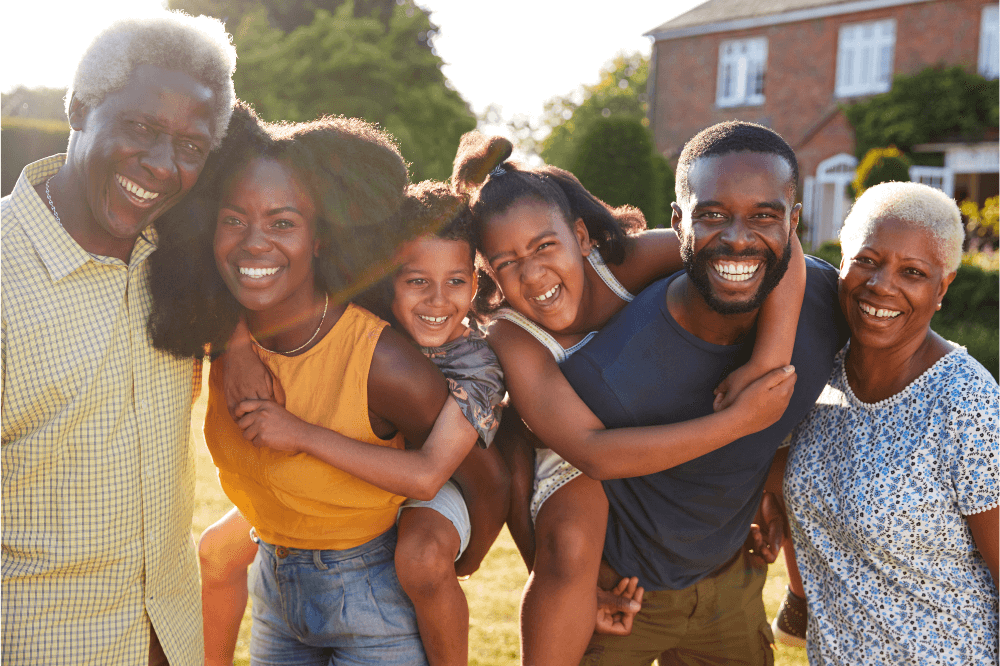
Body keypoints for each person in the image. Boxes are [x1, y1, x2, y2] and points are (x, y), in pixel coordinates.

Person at [451, 130, 805, 666]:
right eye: (506, 262)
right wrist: (738, 421)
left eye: (545, 247)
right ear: (489, 272)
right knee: (570, 545)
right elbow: (592, 450)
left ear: (582, 236)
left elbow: (775, 249)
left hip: (666, 422)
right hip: (574, 452)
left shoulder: (629, 263)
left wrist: (764, 364)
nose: (533, 273)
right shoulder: (513, 334)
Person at [148, 104, 449, 665]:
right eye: (233, 220)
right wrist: (234, 341)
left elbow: (477, 467)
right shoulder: (209, 333)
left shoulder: (384, 363)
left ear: (321, 240)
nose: (253, 243)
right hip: (274, 590)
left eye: (282, 223)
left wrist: (442, 557)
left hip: (373, 601)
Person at [553, 120, 852, 665]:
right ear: (677, 222)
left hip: (733, 588)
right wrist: (573, 584)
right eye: (712, 215)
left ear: (794, 223)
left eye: (764, 216)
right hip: (623, 596)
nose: (738, 237)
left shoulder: (824, 304)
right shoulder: (607, 366)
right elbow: (535, 470)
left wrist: (775, 482)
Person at [1, 12, 235, 664]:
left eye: (190, 147)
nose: (162, 166)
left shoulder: (183, 266)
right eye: (141, 128)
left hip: (171, 641)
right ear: (79, 107)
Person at [195, 180, 510, 666]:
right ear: (389, 280)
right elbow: (237, 281)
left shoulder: (476, 367)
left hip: (439, 478)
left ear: (475, 281)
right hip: (340, 508)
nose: (438, 300)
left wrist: (300, 434)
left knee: (422, 557)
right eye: (417, 281)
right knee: (218, 546)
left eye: (456, 281)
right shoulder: (367, 317)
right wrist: (236, 342)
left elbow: (430, 476)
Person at [782, 181, 999, 664]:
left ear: (942, 288)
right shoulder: (821, 372)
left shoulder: (966, 403)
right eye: (867, 260)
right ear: (842, 261)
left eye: (914, 272)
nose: (881, 284)